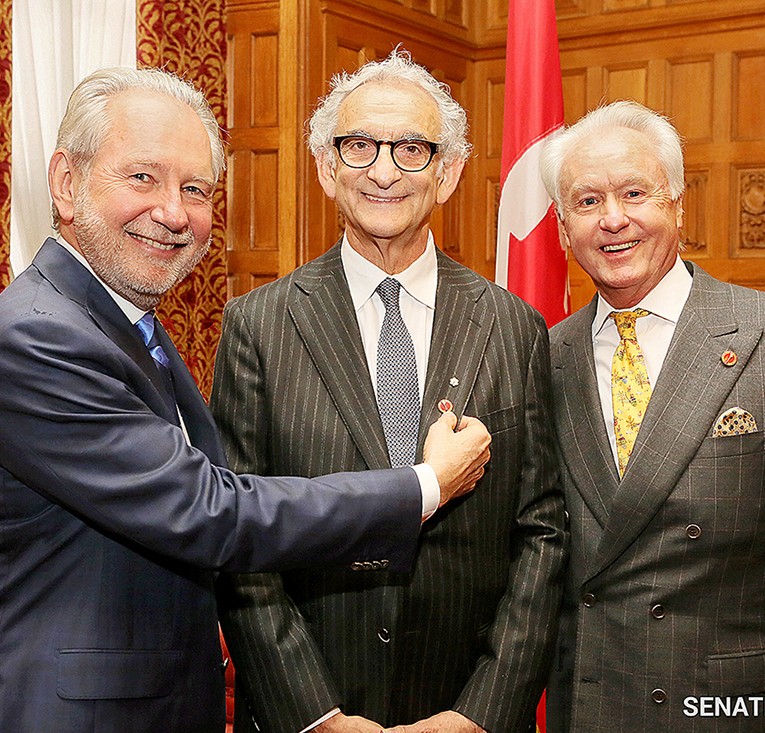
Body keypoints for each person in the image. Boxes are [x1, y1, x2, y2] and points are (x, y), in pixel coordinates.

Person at [0, 66, 493, 733]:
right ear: (65, 182)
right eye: (143, 177)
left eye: (195, 188)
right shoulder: (36, 337)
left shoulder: (126, 324)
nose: (174, 212)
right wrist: (426, 484)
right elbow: (213, 509)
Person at [212, 50, 567, 733]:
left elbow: (543, 533)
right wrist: (317, 715)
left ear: (448, 172)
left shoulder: (514, 325)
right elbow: (238, 536)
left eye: (410, 148)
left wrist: (480, 713)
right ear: (326, 167)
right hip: (312, 707)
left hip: (464, 704)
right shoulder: (258, 324)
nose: (382, 170)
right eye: (359, 145)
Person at [540, 99, 765, 732]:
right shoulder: (546, 357)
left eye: (635, 193)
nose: (612, 220)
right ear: (562, 230)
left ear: (676, 204)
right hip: (590, 708)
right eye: (586, 203)